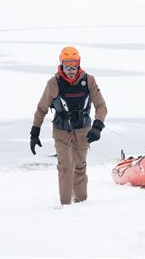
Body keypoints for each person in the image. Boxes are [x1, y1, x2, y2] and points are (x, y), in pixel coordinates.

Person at [30, 46, 107, 205]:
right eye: (67, 65)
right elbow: (41, 109)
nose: (71, 69)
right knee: (65, 167)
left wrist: (97, 127)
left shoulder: (89, 81)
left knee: (79, 167)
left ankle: (81, 204)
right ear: (61, 64)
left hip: (83, 131)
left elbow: (101, 106)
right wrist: (34, 133)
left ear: (79, 64)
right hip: (61, 132)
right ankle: (65, 205)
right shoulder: (53, 83)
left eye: (74, 65)